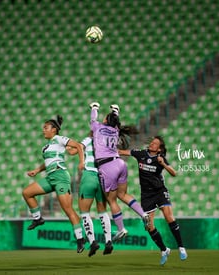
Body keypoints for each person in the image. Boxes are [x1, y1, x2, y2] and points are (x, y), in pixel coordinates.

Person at [22, 115, 87, 253]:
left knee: (68, 209)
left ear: (54, 130)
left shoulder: (59, 139)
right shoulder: (46, 147)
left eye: (45, 128)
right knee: (27, 193)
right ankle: (38, 218)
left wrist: (81, 162)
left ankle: (80, 239)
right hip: (50, 177)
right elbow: (48, 162)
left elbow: (78, 146)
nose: (43, 130)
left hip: (60, 176)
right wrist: (37, 170)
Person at [119, 136, 187, 266]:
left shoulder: (160, 159)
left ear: (159, 148)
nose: (152, 144)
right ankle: (164, 250)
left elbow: (174, 173)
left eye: (155, 143)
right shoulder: (141, 154)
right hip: (146, 195)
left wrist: (163, 164)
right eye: (152, 142)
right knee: (149, 226)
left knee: (169, 217)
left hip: (159, 191)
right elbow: (122, 152)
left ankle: (181, 247)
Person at [89, 102, 150, 242]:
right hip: (120, 163)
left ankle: (121, 228)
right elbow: (114, 119)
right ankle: (143, 214)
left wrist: (94, 108)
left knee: (112, 200)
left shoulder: (97, 128)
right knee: (123, 194)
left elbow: (93, 119)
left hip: (106, 166)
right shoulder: (116, 129)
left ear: (105, 120)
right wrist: (115, 110)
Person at [67, 131, 113, 257]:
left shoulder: (89, 139)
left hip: (89, 176)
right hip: (102, 177)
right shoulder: (106, 143)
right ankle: (108, 241)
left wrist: (66, 144)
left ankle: (93, 242)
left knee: (84, 212)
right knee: (103, 211)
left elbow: (75, 149)